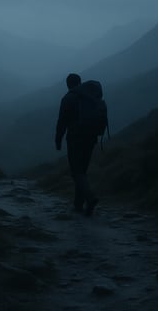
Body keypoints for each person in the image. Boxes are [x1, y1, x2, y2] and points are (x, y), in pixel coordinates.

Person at [55, 73, 100, 216]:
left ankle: (90, 198)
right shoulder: (91, 95)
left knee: (77, 172)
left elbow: (62, 122)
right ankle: (78, 204)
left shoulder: (67, 98)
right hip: (91, 137)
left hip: (75, 139)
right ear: (80, 82)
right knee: (82, 171)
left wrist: (58, 139)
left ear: (68, 85)